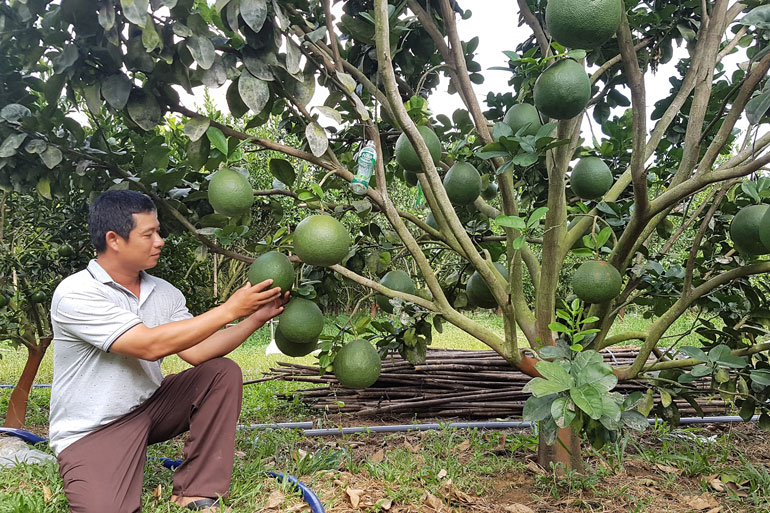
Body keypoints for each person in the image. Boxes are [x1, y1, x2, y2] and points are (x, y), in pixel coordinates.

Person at [49, 190, 287, 512]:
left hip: (151, 406)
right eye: (149, 234)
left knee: (221, 373)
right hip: (95, 428)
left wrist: (256, 318)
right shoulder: (76, 293)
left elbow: (198, 351)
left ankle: (195, 490)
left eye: (158, 231)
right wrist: (230, 309)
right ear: (114, 239)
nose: (159, 241)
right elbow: (147, 345)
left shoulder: (164, 292)